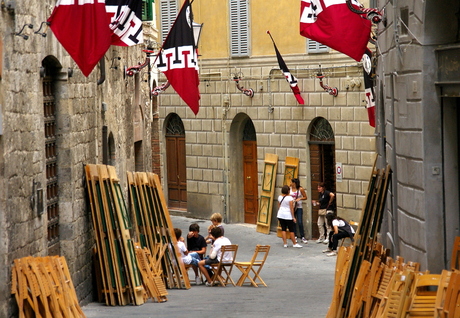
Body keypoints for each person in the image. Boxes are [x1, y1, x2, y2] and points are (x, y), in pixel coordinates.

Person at [290, 178, 308, 244]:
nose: (290, 183)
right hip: (292, 207)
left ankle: (302, 236)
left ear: (294, 183)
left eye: (291, 182)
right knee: (293, 221)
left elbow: (305, 197)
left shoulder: (300, 189)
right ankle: (295, 235)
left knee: (300, 222)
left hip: (299, 206)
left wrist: (299, 198)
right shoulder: (290, 189)